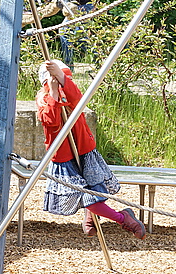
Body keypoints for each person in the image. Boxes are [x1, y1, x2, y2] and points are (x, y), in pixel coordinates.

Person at [36, 60, 146, 239]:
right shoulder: (45, 101)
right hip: (64, 158)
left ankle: (96, 214)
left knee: (93, 192)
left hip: (83, 151)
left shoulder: (70, 97)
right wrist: (54, 92)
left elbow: (79, 99)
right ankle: (120, 217)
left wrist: (62, 78)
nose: (63, 84)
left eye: (66, 79)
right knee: (85, 197)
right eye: (56, 80)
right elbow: (51, 121)